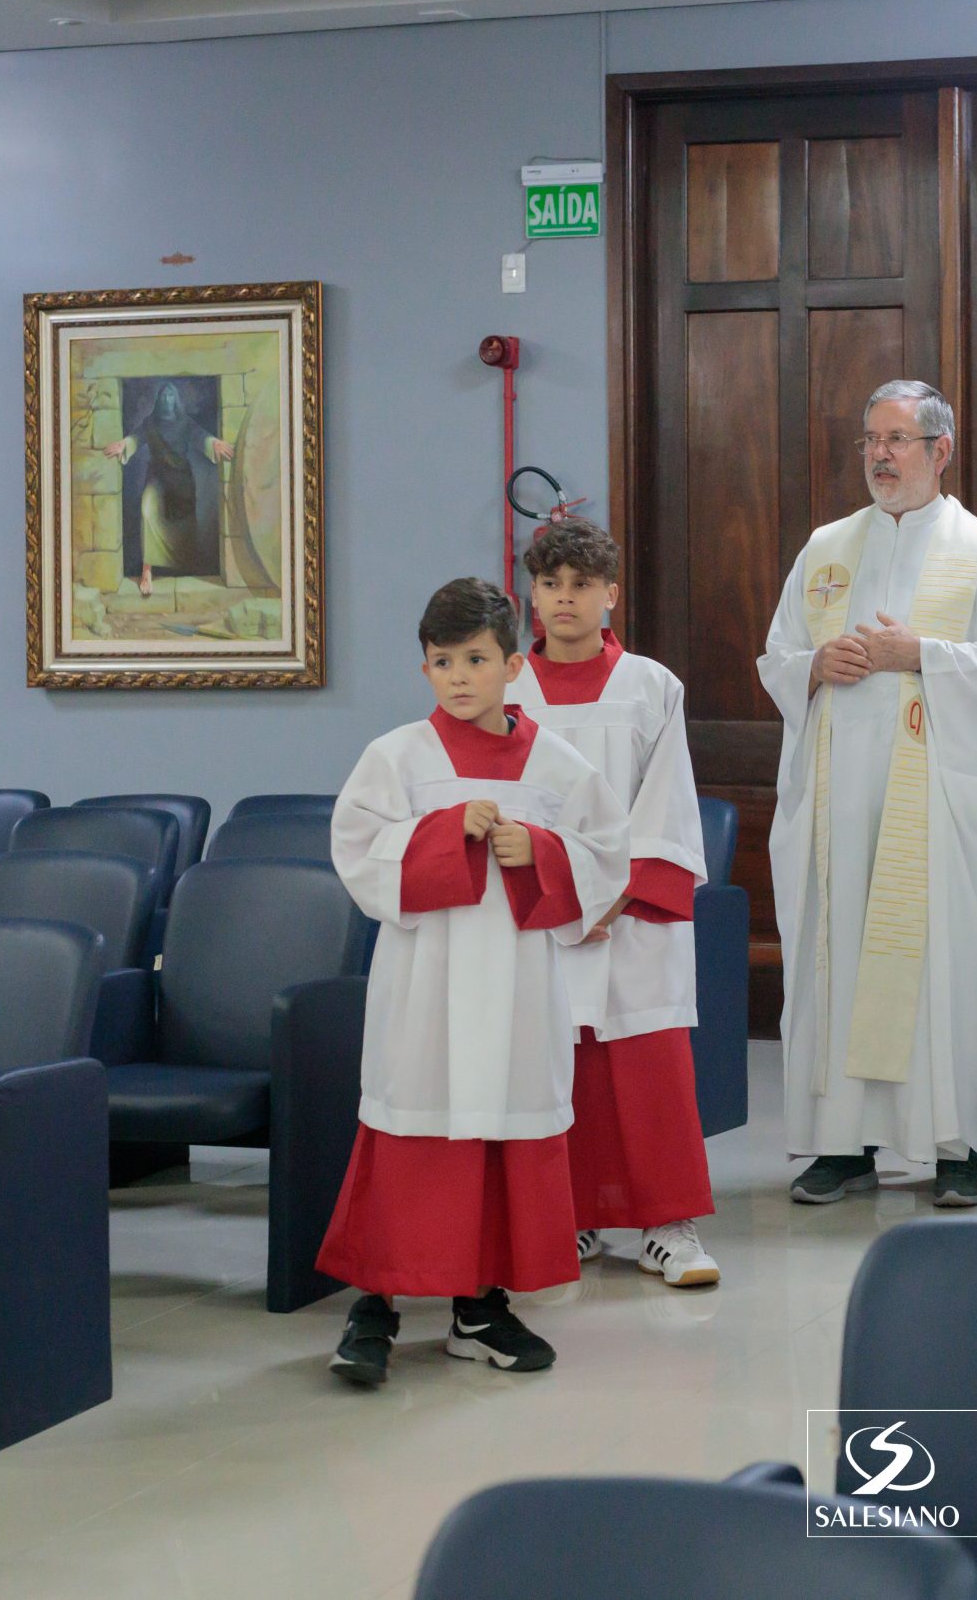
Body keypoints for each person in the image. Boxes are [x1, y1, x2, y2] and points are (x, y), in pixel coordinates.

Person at [320, 577, 630, 1386]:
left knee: (500, 1127)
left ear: (513, 666)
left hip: (519, 986)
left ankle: (480, 1305)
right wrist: (442, 835)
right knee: (409, 1127)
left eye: (476, 659)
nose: (459, 677)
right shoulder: (396, 759)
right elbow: (356, 852)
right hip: (424, 985)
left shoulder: (557, 766)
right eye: (442, 661)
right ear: (424, 668)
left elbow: (606, 857)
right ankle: (376, 1303)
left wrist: (542, 852)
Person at [757, 380, 977, 1207]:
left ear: (940, 451)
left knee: (945, 963)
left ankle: (956, 1148)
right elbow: (777, 654)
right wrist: (815, 666)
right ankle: (844, 1144)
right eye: (870, 439)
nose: (880, 454)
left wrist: (924, 654)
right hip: (841, 800)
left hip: (939, 803)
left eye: (898, 440)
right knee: (840, 955)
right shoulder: (826, 548)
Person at [510, 517, 721, 1289]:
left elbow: (667, 805)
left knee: (647, 1067)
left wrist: (610, 895)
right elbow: (499, 801)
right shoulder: (507, 689)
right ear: (531, 595)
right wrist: (560, 891)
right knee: (554, 1066)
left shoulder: (650, 686)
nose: (564, 600)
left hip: (629, 916)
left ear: (611, 595)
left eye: (580, 586)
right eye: (549, 585)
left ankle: (670, 1226)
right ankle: (571, 1218)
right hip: (535, 912)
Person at [102, 378, 234, 598]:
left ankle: (185, 567)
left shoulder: (186, 423)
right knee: (147, 510)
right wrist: (124, 444)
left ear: (177, 401)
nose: (167, 398)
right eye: (164, 395)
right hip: (157, 477)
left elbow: (201, 437)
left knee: (184, 523)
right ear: (158, 400)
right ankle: (147, 571)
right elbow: (136, 438)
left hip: (181, 480)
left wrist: (214, 443)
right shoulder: (150, 423)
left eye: (171, 395)